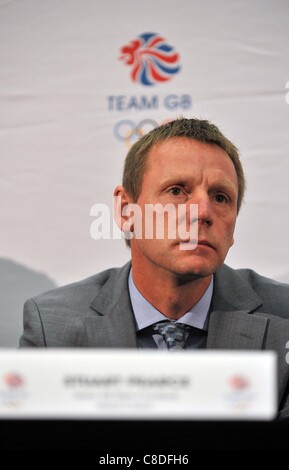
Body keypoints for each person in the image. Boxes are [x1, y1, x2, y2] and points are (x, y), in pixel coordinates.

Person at [19, 118, 289, 419]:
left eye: (221, 197)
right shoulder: (52, 330)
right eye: (176, 191)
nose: (202, 212)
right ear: (126, 211)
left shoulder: (285, 318)